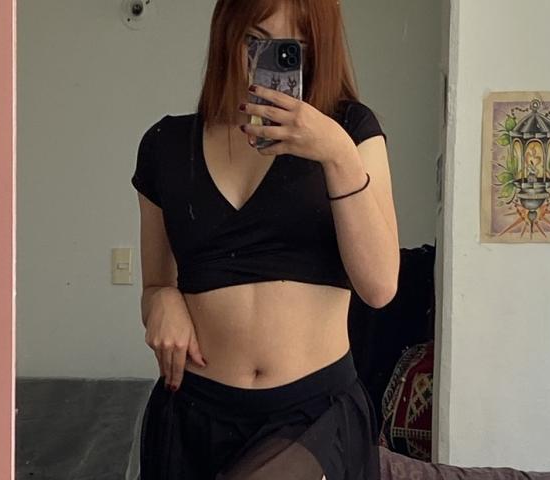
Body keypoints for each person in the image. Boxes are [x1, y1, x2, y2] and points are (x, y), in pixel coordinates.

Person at [130, 0, 400, 478]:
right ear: (226, 35)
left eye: (293, 46)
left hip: (311, 417)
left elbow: (379, 287)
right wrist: (161, 300)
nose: (269, 59)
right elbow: (155, 284)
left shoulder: (351, 132)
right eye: (255, 40)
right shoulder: (164, 145)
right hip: (192, 413)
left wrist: (337, 155)